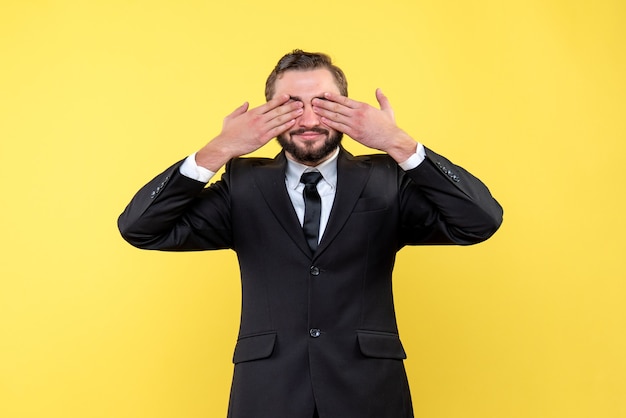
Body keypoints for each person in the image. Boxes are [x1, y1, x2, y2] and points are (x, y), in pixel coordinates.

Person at [118, 50, 503, 418]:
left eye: (323, 103)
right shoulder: (242, 185)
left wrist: (397, 143)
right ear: (267, 113)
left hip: (369, 394)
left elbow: (479, 220)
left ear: (351, 109)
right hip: (269, 394)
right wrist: (219, 149)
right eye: (290, 105)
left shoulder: (388, 179)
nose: (307, 119)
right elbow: (141, 228)